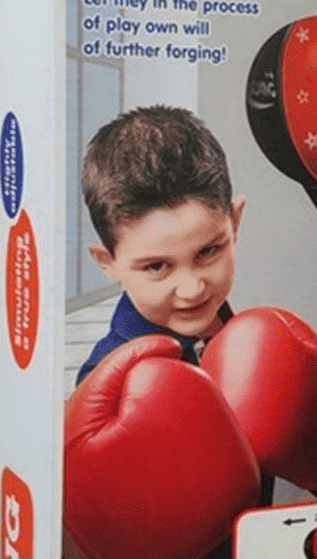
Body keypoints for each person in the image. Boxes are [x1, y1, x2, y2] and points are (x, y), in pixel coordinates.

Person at [77, 105, 244, 384]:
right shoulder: (111, 380)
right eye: (155, 266)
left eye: (208, 251)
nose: (192, 290)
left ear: (234, 222)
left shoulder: (242, 334)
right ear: (108, 263)